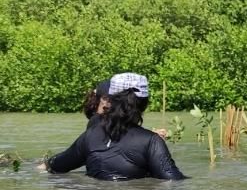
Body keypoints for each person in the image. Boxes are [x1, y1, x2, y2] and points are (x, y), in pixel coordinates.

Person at [45, 72, 186, 181]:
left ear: (109, 101)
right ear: (144, 104)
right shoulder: (151, 141)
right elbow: (172, 180)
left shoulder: (90, 135)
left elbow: (57, 165)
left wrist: (47, 162)